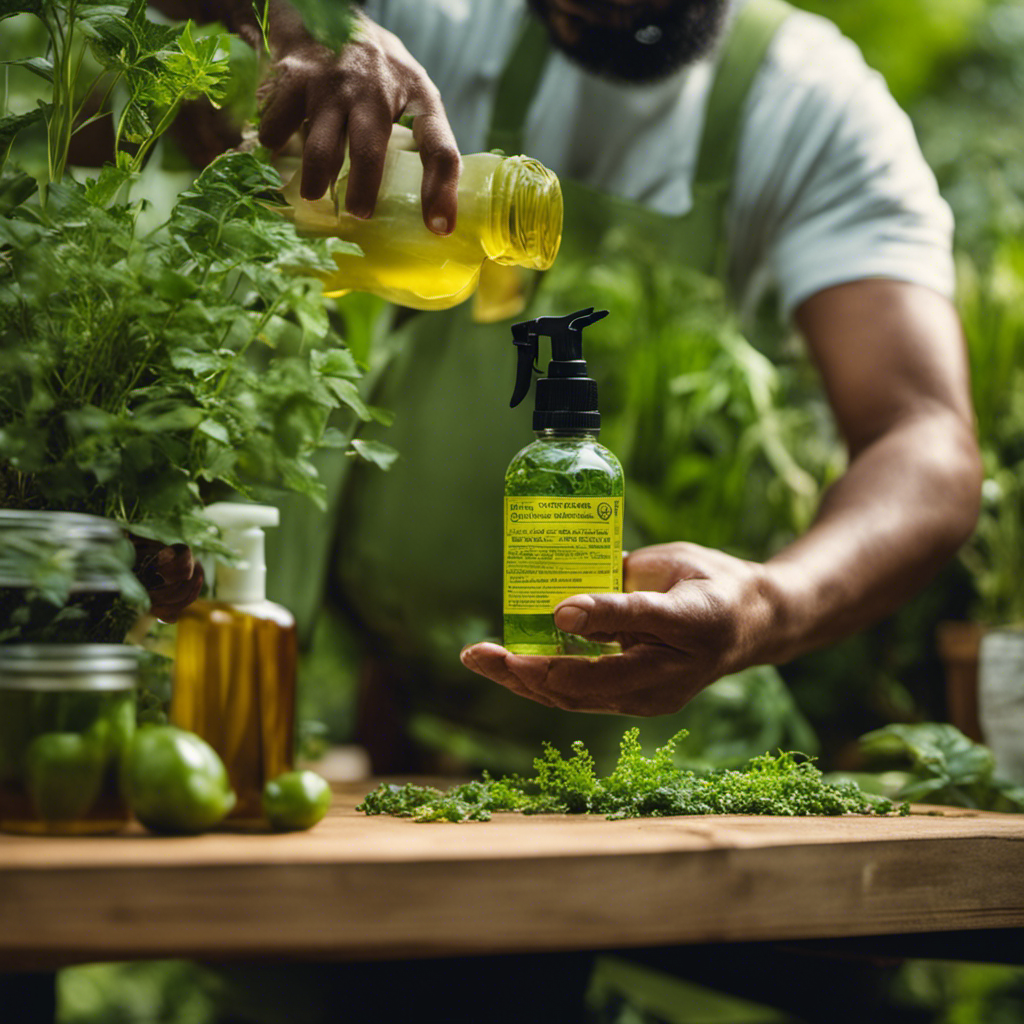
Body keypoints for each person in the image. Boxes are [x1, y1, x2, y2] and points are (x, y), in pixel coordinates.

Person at [154, 0, 982, 772]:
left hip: (669, 755)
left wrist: (769, 601)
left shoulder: (809, 108)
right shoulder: (434, 23)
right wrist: (289, 20)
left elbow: (925, 442)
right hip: (412, 719)